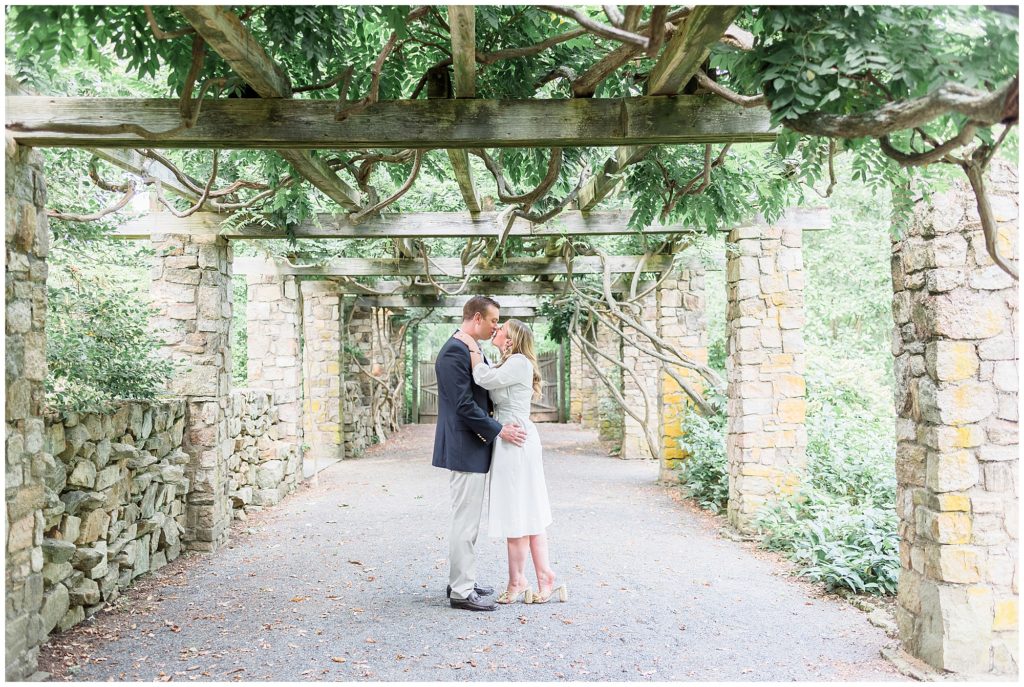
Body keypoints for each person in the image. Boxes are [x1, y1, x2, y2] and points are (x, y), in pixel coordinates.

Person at [454, 319, 568, 605]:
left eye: (501, 327)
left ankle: (518, 581)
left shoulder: (517, 362)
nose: (496, 328)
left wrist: (473, 349)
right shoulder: (511, 362)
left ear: (512, 338)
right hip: (511, 439)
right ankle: (545, 577)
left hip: (515, 441)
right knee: (528, 511)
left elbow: (483, 378)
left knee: (518, 511)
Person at [432, 296, 527, 612]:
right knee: (465, 521)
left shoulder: (470, 349)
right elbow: (463, 405)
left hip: (473, 445)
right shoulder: (453, 352)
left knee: (468, 520)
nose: (496, 326)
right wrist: (499, 429)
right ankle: (460, 592)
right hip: (464, 445)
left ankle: (463, 580)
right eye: (493, 321)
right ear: (476, 318)